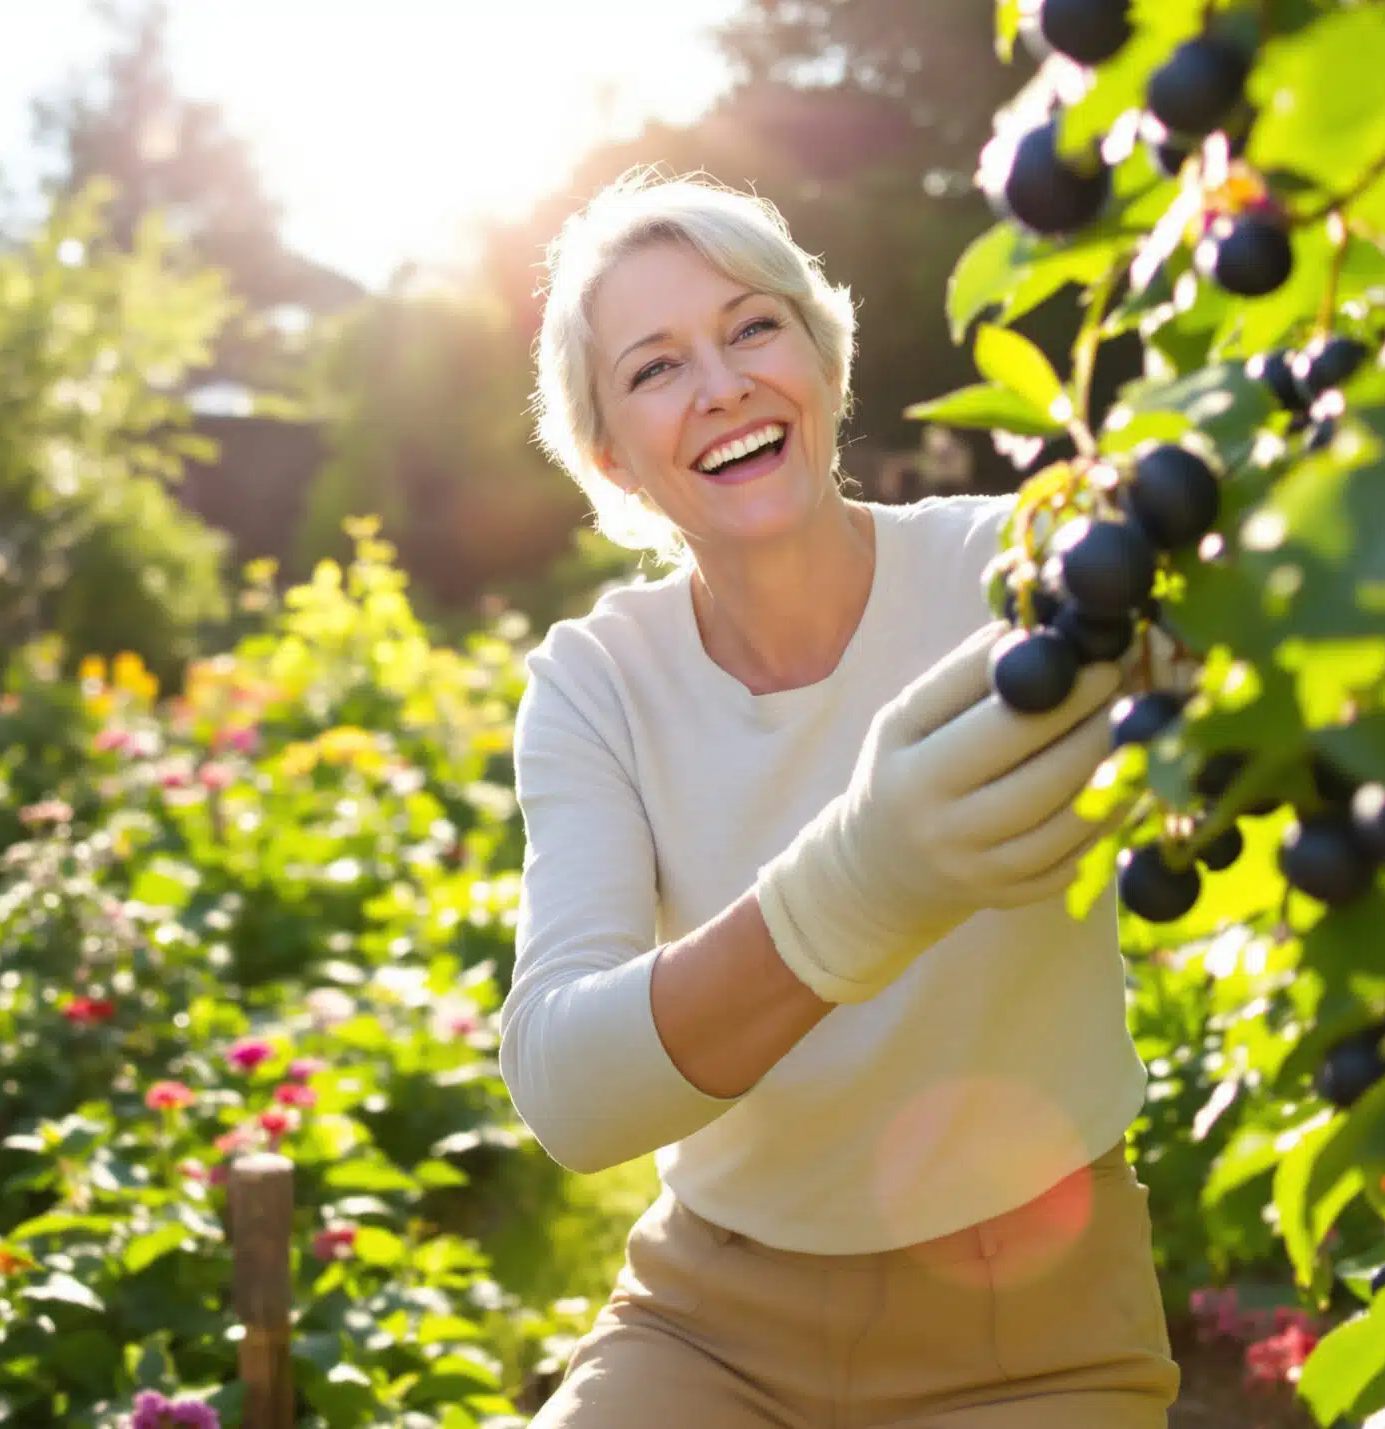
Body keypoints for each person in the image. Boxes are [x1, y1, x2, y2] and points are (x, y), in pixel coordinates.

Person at [498, 170, 1177, 1428]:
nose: (721, 386)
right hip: (711, 1325)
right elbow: (569, 1090)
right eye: (653, 368)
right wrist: (860, 886)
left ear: (823, 356)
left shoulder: (1011, 576)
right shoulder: (599, 683)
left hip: (1032, 1328)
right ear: (610, 455)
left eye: (753, 327)